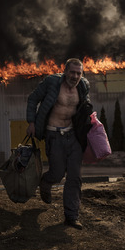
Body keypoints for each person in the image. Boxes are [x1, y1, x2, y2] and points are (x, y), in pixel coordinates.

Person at [26, 58, 90, 229]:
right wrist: (31, 122)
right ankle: (46, 182)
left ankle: (71, 216)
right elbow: (32, 99)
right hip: (54, 136)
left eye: (78, 73)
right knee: (57, 173)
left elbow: (85, 107)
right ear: (65, 71)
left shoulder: (83, 86)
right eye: (72, 72)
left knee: (75, 177)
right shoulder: (51, 82)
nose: (75, 76)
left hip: (73, 136)